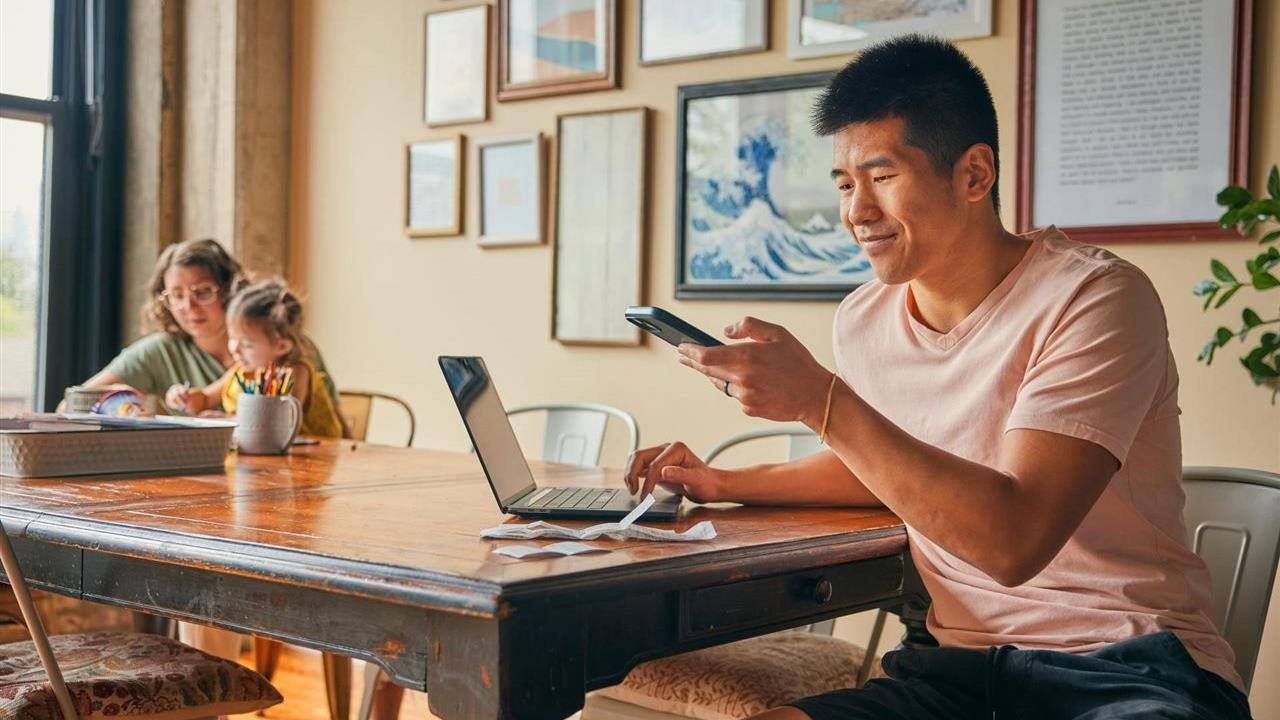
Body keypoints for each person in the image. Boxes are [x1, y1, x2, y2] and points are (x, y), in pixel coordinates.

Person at [625, 36, 1251, 719]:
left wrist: (818, 399)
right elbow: (882, 467)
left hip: (1127, 669)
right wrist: (720, 485)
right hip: (960, 673)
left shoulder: (1096, 298)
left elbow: (1013, 543)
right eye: (843, 183)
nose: (856, 211)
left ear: (974, 175)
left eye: (882, 176)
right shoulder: (864, 319)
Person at [83, 238, 347, 432]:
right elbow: (76, 403)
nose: (189, 307)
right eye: (176, 296)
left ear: (229, 289)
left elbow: (336, 427)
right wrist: (120, 402)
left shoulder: (294, 350)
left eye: (204, 291)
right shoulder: (159, 351)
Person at [166, 278, 343, 438]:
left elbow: (281, 423)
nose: (234, 348)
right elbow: (205, 399)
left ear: (282, 346)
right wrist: (184, 397)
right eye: (232, 338)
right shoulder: (241, 371)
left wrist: (228, 421)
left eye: (247, 344)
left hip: (310, 460)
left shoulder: (295, 373)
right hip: (261, 459)